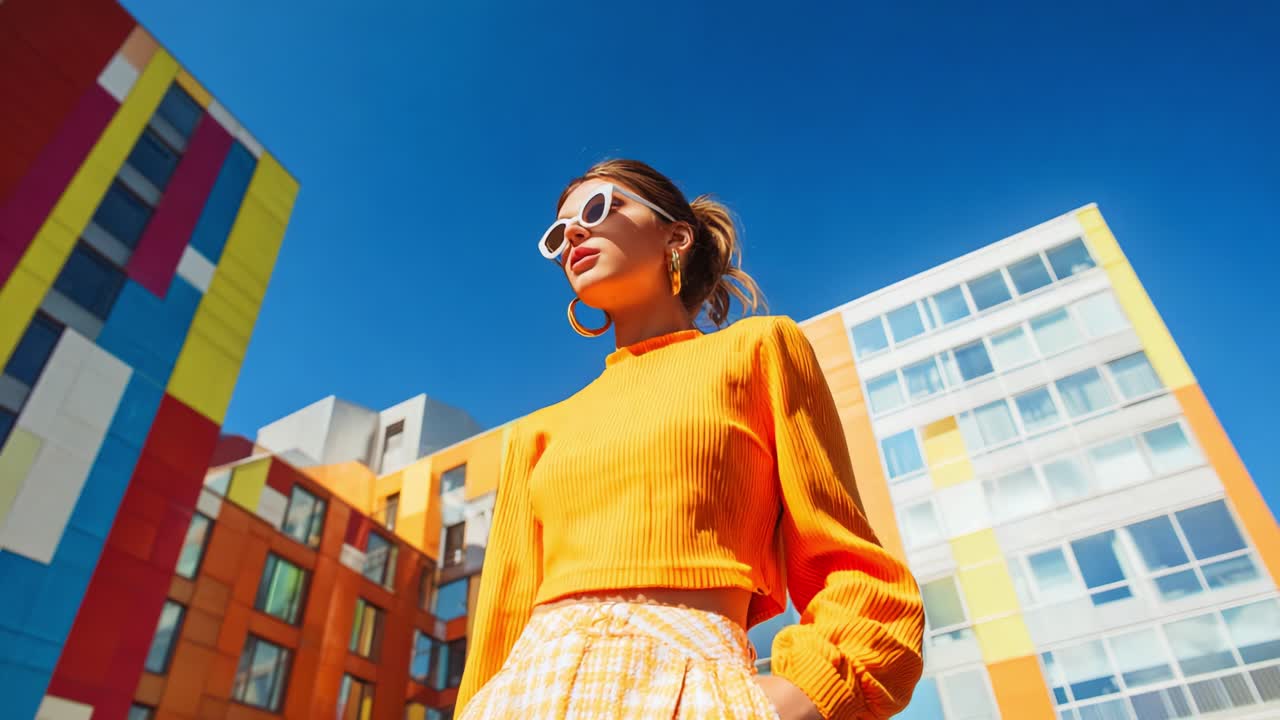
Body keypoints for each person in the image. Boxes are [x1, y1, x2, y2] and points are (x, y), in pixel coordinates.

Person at [455, 159, 924, 719]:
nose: (574, 233)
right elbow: (500, 625)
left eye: (600, 208)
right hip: (524, 696)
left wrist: (801, 696)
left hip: (691, 686)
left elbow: (848, 565)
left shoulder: (758, 350)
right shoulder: (535, 432)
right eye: (559, 233)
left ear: (675, 236)